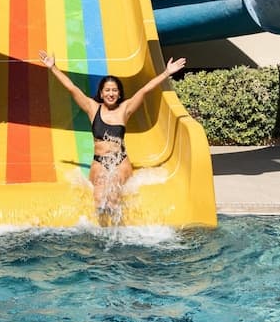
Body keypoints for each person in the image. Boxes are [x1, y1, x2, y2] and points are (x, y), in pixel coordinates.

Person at [37, 50, 186, 225]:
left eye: (114, 90)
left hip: (120, 161)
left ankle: (119, 233)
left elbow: (145, 90)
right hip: (99, 161)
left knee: (114, 197)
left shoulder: (125, 109)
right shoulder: (92, 108)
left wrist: (167, 72)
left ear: (119, 93)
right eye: (107, 90)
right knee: (99, 198)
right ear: (101, 93)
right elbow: (72, 88)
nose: (111, 93)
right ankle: (102, 234)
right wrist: (53, 67)